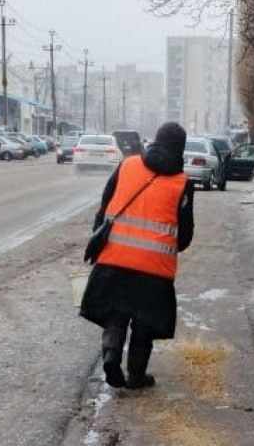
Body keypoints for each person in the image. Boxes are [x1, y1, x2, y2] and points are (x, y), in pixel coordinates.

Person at [79, 122, 195, 389]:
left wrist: (101, 237)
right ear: (180, 149)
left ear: (156, 140)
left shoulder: (128, 165)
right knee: (145, 324)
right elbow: (184, 236)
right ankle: (136, 376)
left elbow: (104, 208)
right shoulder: (182, 184)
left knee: (115, 314)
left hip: (114, 259)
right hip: (154, 270)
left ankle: (111, 354)